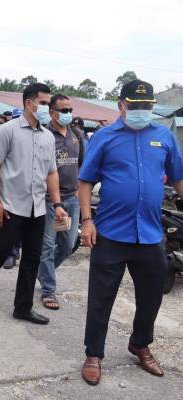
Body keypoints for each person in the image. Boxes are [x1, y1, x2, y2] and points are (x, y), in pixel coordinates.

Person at [78, 79, 183, 385]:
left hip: (150, 234)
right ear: (121, 105)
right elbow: (86, 181)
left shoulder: (164, 137)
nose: (141, 112)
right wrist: (87, 221)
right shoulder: (105, 137)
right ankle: (94, 353)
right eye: (135, 107)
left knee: (151, 296)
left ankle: (140, 343)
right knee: (101, 298)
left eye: (146, 107)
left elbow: (177, 177)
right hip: (110, 233)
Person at [0, 83, 68, 325]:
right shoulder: (8, 131)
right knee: (0, 252)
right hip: (11, 205)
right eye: (43, 103)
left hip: (38, 207)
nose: (47, 108)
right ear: (28, 103)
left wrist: (57, 203)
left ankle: (22, 307)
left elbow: (52, 172)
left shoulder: (47, 137)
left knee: (32, 257)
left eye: (48, 104)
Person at [37, 94, 84, 310]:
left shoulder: (76, 135)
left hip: (71, 200)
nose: (68, 114)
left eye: (70, 109)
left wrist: (77, 194)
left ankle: (43, 272)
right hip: (49, 201)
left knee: (68, 245)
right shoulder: (44, 135)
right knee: (47, 246)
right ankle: (48, 289)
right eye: (63, 110)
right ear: (52, 112)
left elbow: (82, 166)